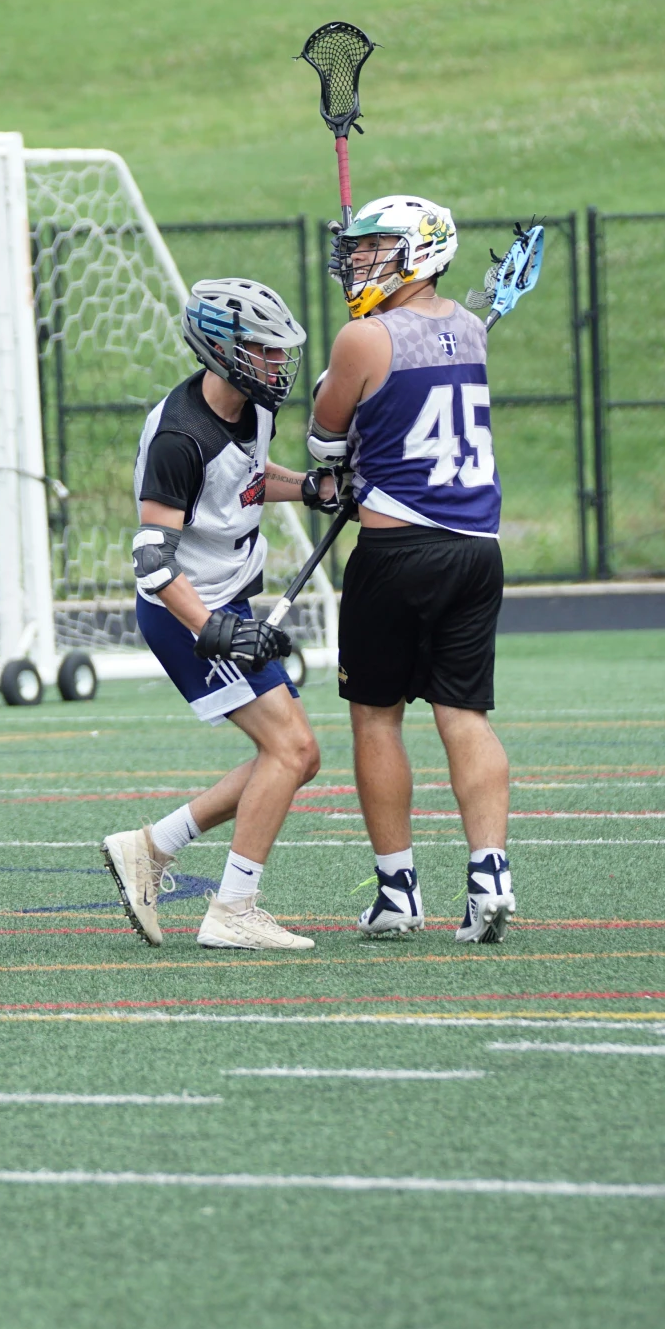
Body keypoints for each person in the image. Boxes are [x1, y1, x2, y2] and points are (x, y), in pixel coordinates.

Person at [100, 278, 338, 952]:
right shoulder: (180, 434)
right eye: (262, 351)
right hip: (187, 616)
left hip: (224, 602)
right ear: (221, 350)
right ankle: (232, 906)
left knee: (300, 754)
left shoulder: (253, 406)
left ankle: (151, 846)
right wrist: (212, 627)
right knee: (289, 749)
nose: (276, 364)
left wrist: (313, 488)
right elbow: (151, 559)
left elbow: (253, 477)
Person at [308, 194, 515, 943]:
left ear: (417, 252)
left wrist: (340, 458)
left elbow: (325, 439)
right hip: (476, 551)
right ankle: (490, 873)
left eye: (373, 248)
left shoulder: (362, 338)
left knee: (376, 715)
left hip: (397, 553)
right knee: (464, 713)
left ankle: (398, 889)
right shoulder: (470, 328)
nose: (357, 261)